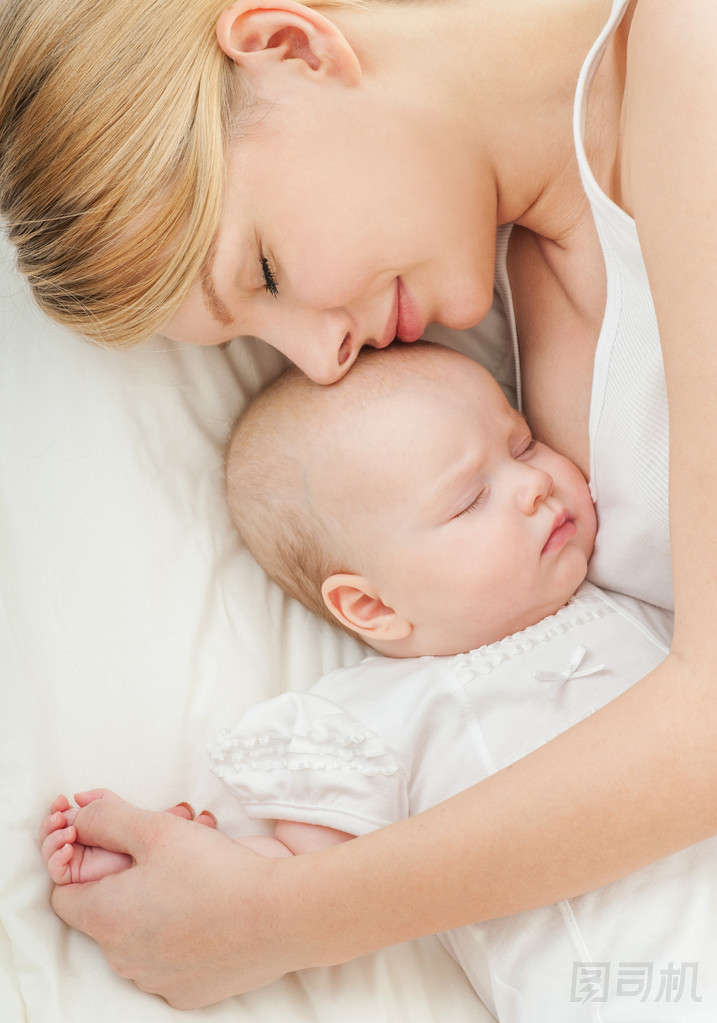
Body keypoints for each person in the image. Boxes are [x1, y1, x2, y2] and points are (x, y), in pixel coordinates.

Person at [4, 0, 717, 1010]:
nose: (321, 355)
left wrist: (277, 921)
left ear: (289, 45)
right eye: (258, 341)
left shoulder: (693, 50)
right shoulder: (516, 290)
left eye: (264, 274)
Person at [45, 344, 714, 1019]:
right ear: (373, 607)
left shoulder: (642, 591)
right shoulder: (377, 714)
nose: (531, 483)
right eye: (469, 499)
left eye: (524, 442)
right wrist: (168, 864)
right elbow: (294, 871)